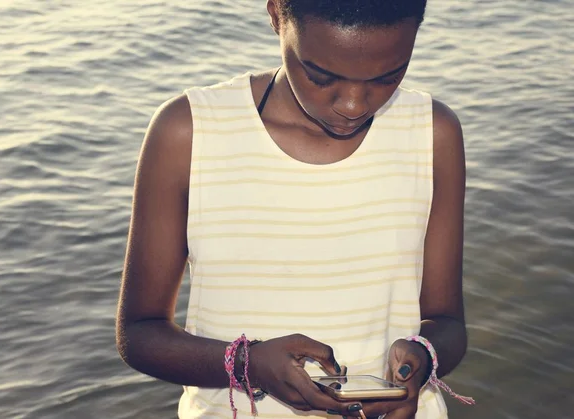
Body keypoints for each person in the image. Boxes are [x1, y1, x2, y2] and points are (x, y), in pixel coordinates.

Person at [116, 1, 474, 418]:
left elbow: (447, 322)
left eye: (388, 76)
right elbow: (139, 334)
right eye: (321, 76)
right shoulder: (191, 132)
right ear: (275, 16)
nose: (354, 105)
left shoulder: (433, 134)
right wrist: (250, 365)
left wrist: (422, 360)